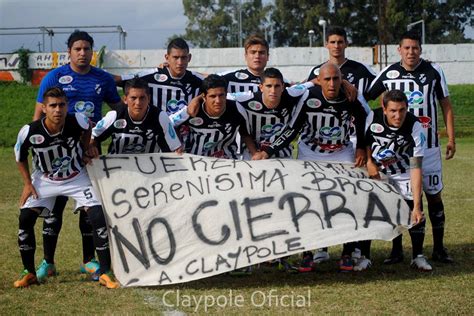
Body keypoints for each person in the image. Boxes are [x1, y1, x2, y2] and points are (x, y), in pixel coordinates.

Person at [253, 63, 368, 272]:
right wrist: (267, 152)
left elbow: (363, 120)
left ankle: (347, 253)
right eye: (327, 79)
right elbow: (292, 129)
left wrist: (361, 148)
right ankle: (307, 253)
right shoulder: (308, 96)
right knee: (307, 201)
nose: (331, 84)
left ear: (341, 79)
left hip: (341, 152)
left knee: (350, 199)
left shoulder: (350, 96)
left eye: (336, 79)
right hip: (310, 153)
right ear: (319, 80)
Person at [33, 30, 123, 282]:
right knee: (54, 208)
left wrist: (97, 139)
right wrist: (39, 148)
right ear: (69, 52)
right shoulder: (54, 77)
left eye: (86, 49)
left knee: (89, 207)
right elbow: (37, 117)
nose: (82, 53)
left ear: (92, 52)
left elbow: (118, 111)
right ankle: (48, 262)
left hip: (88, 149)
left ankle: (88, 260)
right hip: (58, 151)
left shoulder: (102, 79)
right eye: (77, 49)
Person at [14, 87, 119, 288]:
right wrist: (28, 183)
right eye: (52, 105)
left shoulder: (77, 120)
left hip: (76, 177)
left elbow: (88, 128)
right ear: (44, 108)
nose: (58, 110)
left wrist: (86, 146)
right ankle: (29, 272)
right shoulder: (29, 131)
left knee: (97, 216)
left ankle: (105, 272)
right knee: (25, 218)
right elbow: (20, 157)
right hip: (45, 179)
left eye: (62, 105)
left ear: (67, 106)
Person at [366, 31, 455, 264]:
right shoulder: (389, 73)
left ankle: (439, 248)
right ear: (399, 49)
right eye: (406, 48)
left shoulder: (434, 71)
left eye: (415, 48)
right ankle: (397, 250)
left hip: (431, 147)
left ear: (420, 49)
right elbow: (366, 100)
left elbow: (445, 104)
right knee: (397, 197)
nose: (411, 52)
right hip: (397, 152)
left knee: (433, 196)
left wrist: (451, 138)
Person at [306, 26, 376, 265]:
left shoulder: (359, 69)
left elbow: (369, 107)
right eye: (332, 41)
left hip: (350, 140)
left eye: (340, 41)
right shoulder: (316, 72)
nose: (336, 45)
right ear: (327, 44)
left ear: (346, 43)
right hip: (316, 145)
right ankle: (318, 247)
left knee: (349, 195)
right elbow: (305, 95)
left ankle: (352, 248)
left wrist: (362, 147)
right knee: (316, 197)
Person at [364, 89, 431, 271]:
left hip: (404, 172)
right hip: (379, 172)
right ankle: (365, 256)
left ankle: (417, 256)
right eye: (393, 110)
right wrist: (370, 162)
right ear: (384, 108)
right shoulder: (373, 117)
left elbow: (416, 167)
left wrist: (417, 205)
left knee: (413, 210)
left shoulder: (414, 125)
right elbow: (364, 143)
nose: (398, 115)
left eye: (402, 110)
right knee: (369, 209)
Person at [228, 67, 310, 159]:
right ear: (261, 87)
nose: (273, 91)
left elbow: (307, 85)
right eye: (269, 86)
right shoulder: (247, 98)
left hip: (282, 153)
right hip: (253, 153)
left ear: (283, 87)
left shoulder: (292, 94)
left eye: (277, 86)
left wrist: (314, 81)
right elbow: (224, 96)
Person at [171, 74, 256, 159]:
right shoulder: (192, 109)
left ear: (226, 94)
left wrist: (255, 154)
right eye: (213, 96)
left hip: (228, 161)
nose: (218, 101)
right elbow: (170, 123)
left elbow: (245, 134)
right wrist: (177, 144)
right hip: (196, 161)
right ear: (204, 97)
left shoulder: (237, 109)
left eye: (221, 95)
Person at [90, 78, 182, 154]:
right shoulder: (114, 116)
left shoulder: (160, 117)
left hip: (151, 169)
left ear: (149, 98)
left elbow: (175, 149)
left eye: (142, 98)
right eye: (133, 98)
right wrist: (92, 146)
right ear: (125, 99)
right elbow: (93, 136)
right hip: (117, 169)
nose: (138, 103)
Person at [117, 38, 204, 116]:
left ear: (189, 58)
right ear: (167, 57)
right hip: (157, 131)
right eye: (175, 57)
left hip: (184, 132)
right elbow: (119, 79)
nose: (180, 62)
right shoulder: (151, 76)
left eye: (183, 57)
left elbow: (215, 81)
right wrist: (103, 74)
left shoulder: (197, 80)